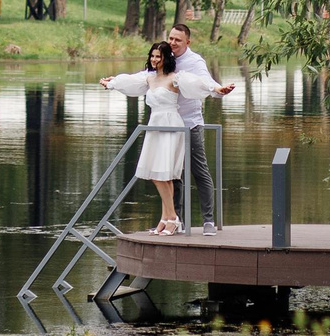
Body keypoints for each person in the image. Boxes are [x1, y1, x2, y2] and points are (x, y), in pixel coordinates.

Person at [100, 39, 218, 234]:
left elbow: (199, 84)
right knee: (161, 174)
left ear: (166, 58)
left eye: (158, 56)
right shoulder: (149, 77)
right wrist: (111, 83)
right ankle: (166, 217)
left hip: (171, 124)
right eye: (152, 56)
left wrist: (216, 89)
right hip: (155, 125)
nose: (154, 60)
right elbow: (129, 80)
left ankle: (172, 218)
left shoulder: (176, 77)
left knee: (163, 173)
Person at [166, 20, 233, 232]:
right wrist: (116, 83)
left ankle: (208, 221)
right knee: (173, 174)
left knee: (199, 171)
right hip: (169, 126)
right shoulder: (165, 58)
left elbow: (206, 81)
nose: (173, 42)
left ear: (187, 41)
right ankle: (176, 220)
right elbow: (147, 77)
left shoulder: (195, 61)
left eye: (177, 39)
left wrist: (218, 89)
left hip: (190, 124)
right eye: (171, 38)